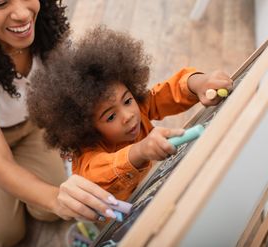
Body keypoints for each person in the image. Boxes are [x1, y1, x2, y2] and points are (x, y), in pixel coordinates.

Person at [0, 1, 119, 246]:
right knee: (6, 234)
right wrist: (56, 198)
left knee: (47, 210)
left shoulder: (49, 31)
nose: (23, 14)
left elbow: (78, 96)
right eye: (0, 3)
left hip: (32, 125)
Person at [27, 26, 233, 201]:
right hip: (118, 212)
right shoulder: (88, 154)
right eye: (110, 116)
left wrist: (198, 83)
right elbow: (93, 176)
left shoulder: (139, 107)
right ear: (87, 127)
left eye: (127, 100)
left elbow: (168, 92)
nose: (128, 115)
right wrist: (140, 151)